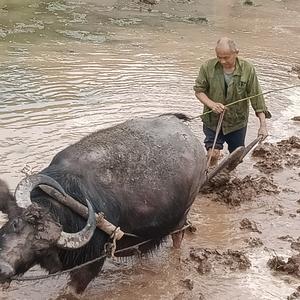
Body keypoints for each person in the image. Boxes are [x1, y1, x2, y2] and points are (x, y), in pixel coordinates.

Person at [194, 37, 270, 166]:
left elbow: (257, 97)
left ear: (236, 53)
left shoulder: (247, 69)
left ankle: (229, 177)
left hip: (237, 123)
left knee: (236, 156)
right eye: (219, 57)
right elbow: (199, 91)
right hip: (213, 120)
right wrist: (211, 104)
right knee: (212, 154)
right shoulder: (207, 67)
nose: (222, 61)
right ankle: (210, 177)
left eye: (226, 57)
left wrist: (263, 125)